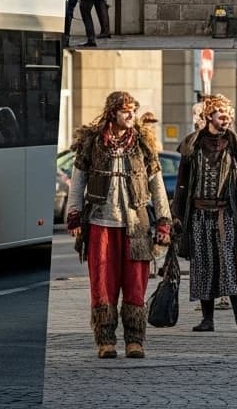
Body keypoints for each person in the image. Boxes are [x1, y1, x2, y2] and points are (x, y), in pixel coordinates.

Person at [66, 92, 172, 359]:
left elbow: (157, 186)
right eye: (125, 111)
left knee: (136, 284)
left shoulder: (143, 145)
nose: (131, 115)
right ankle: (106, 341)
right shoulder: (92, 143)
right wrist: (75, 214)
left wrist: (164, 222)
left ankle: (135, 341)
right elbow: (78, 182)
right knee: (102, 285)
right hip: (100, 223)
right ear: (112, 112)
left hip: (136, 225)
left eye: (133, 110)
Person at [172, 94, 237, 332]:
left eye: (229, 116)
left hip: (227, 213)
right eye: (222, 116)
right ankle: (207, 319)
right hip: (200, 214)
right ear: (208, 116)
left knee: (231, 264)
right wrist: (177, 214)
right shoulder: (192, 144)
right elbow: (182, 183)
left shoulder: (235, 143)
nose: (227, 120)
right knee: (203, 266)